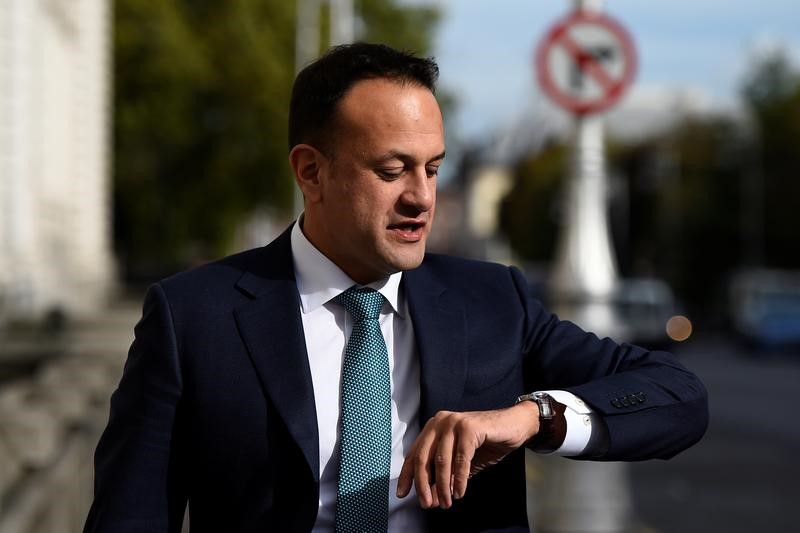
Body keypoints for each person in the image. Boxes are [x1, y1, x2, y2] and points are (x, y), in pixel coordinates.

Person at [84, 43, 708, 533]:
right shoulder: (193, 316)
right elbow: (130, 518)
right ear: (311, 172)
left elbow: (678, 397)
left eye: (433, 169)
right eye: (392, 170)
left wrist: (532, 416)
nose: (422, 197)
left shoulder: (493, 302)